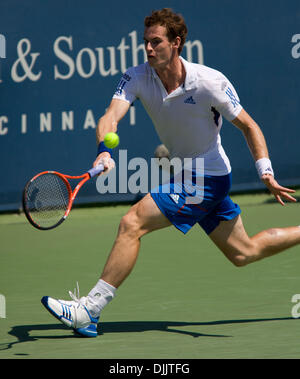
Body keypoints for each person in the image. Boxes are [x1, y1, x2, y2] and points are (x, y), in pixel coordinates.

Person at [41, 8, 299, 337]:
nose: (148, 49)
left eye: (156, 42)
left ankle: (89, 310)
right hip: (186, 173)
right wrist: (104, 151)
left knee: (131, 223)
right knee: (243, 252)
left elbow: (249, 126)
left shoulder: (209, 82)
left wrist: (265, 171)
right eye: (145, 42)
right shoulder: (136, 77)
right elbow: (110, 117)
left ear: (176, 43)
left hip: (208, 177)